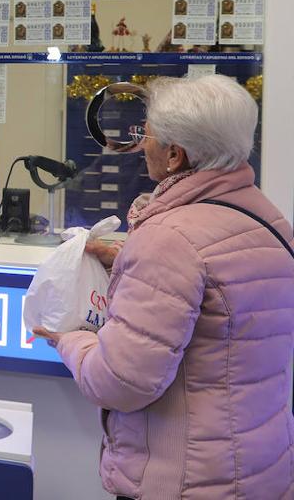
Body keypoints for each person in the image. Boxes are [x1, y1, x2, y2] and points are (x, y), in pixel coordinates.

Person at [33, 74, 294, 500]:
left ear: (174, 155)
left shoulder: (168, 238)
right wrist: (129, 264)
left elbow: (120, 382)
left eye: (147, 135)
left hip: (187, 483)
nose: (141, 145)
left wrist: (70, 339)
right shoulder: (270, 220)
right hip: (261, 470)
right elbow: (224, 304)